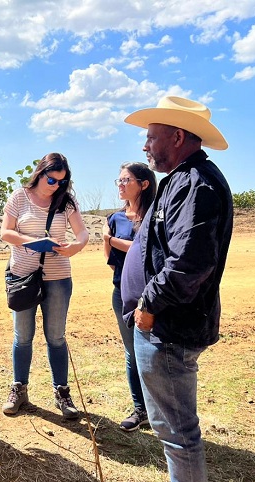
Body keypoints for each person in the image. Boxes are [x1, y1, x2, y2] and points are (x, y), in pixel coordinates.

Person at [121, 96, 233, 482]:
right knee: (172, 428)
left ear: (178, 136)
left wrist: (148, 305)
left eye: (151, 137)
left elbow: (190, 262)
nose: (145, 146)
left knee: (178, 431)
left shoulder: (197, 184)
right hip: (165, 323)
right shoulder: (182, 180)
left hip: (169, 326)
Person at [0, 153, 89, 419]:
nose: (56, 186)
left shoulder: (66, 201)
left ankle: (62, 393)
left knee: (56, 337)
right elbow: (6, 232)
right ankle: (19, 390)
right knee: (23, 337)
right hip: (23, 276)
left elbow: (83, 233)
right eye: (52, 179)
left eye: (62, 182)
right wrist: (30, 241)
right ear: (40, 174)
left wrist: (76, 246)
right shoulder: (19, 197)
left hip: (58, 277)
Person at [102, 162, 156, 431]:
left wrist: (110, 240)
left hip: (153, 294)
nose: (121, 185)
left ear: (144, 184)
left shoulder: (156, 215)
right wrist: (108, 242)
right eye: (119, 180)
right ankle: (141, 409)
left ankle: (160, 409)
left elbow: (140, 248)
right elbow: (110, 261)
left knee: (156, 352)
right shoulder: (115, 218)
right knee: (132, 353)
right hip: (121, 293)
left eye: (127, 180)